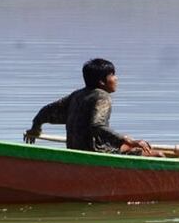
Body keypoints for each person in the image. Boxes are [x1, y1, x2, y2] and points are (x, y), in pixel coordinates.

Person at [23, 58, 160, 156]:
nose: (116, 78)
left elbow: (46, 112)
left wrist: (35, 128)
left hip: (74, 151)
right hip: (95, 153)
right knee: (158, 155)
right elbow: (97, 126)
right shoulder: (102, 97)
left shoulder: (76, 95)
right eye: (112, 75)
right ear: (101, 82)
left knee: (125, 146)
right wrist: (128, 140)